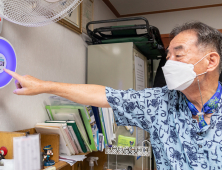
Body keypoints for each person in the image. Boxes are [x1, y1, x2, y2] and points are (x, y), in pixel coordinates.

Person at [4, 21, 222, 170]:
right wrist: (43, 85)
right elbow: (106, 95)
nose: (169, 63)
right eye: (168, 55)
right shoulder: (159, 102)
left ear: (210, 61)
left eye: (179, 54)